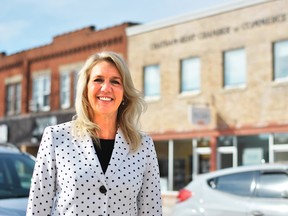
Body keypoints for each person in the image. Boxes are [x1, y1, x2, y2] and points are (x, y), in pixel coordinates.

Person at [27, 51, 163, 216]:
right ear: (85, 89)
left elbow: (151, 211)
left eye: (115, 81)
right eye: (98, 80)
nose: (106, 88)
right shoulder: (56, 138)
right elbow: (37, 209)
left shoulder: (143, 145)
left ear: (124, 93)